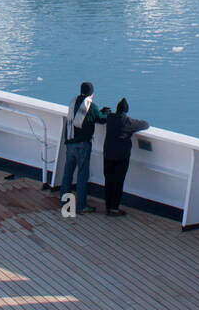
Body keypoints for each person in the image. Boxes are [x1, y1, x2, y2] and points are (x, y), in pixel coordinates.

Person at [59, 82, 109, 214]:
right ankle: (81, 206)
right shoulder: (90, 106)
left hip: (69, 143)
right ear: (91, 93)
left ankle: (65, 204)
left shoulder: (73, 102)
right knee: (82, 175)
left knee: (67, 175)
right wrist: (106, 113)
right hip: (82, 145)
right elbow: (101, 119)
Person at [102, 97, 149, 216]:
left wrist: (105, 111)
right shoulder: (128, 122)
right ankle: (114, 209)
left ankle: (108, 206)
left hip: (107, 155)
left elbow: (105, 115)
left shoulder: (110, 118)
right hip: (121, 157)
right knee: (118, 182)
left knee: (108, 181)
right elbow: (145, 124)